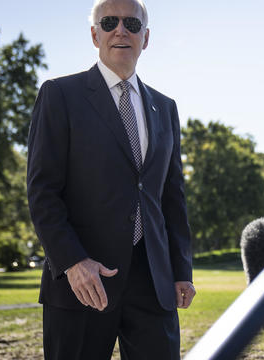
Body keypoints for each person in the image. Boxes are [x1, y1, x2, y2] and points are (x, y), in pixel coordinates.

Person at [26, 0, 195, 358]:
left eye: (132, 24)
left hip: (154, 284)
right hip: (83, 282)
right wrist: (73, 262)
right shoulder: (60, 95)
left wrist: (181, 270)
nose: (121, 30)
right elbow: (42, 193)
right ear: (94, 34)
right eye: (109, 22)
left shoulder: (165, 108)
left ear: (145, 38)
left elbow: (172, 197)